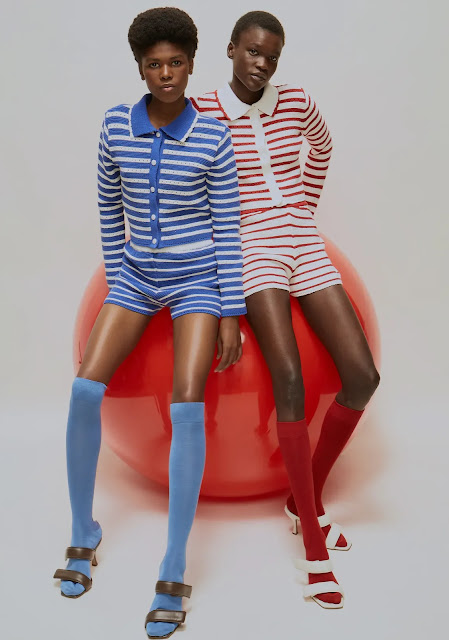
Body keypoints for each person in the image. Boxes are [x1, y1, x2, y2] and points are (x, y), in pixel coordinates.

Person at [52, 8, 246, 638]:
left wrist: (230, 311)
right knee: (85, 388)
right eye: (154, 64)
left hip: (198, 280)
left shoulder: (214, 137)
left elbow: (227, 229)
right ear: (140, 68)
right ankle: (83, 530)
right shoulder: (115, 125)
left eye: (176, 63)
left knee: (187, 405)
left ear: (192, 64)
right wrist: (120, 282)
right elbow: (109, 207)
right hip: (136, 276)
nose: (166, 74)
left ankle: (173, 561)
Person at [192, 10, 380, 609]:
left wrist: (302, 209)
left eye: (272, 55)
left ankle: (304, 499)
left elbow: (322, 147)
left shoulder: (296, 100)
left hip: (302, 238)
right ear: (231, 49)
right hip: (251, 247)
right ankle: (315, 551)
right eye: (253, 52)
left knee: (363, 375)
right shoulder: (202, 111)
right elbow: (194, 187)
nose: (262, 64)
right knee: (290, 378)